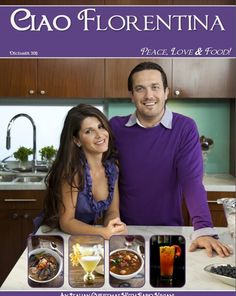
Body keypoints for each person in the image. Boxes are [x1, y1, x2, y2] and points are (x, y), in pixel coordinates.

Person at [110, 62, 232, 257]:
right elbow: (105, 177)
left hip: (169, 232)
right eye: (140, 89)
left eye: (155, 87)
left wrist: (203, 228)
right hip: (123, 232)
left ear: (166, 92)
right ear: (131, 95)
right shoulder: (115, 128)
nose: (149, 95)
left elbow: (191, 182)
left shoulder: (184, 128)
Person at [41, 104, 127, 239]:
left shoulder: (112, 167)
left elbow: (112, 210)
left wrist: (113, 224)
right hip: (56, 237)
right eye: (89, 131)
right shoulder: (72, 171)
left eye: (100, 127)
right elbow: (66, 222)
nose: (99, 135)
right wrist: (102, 232)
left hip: (85, 237)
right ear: (77, 140)